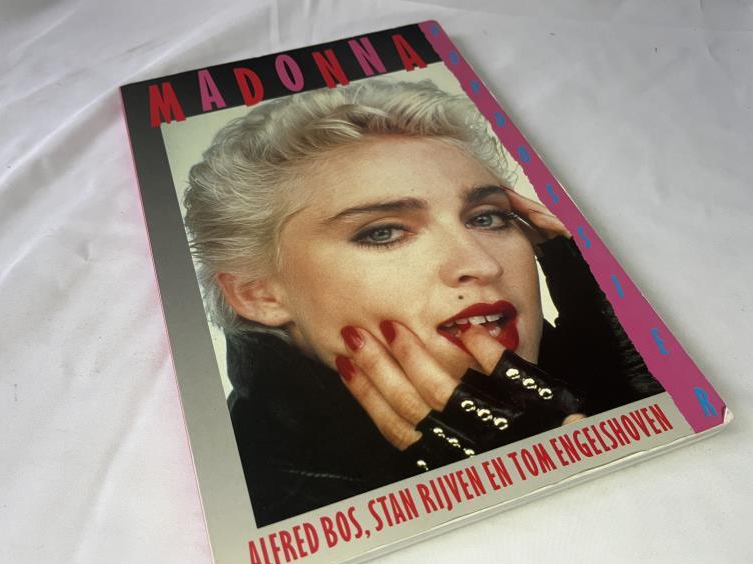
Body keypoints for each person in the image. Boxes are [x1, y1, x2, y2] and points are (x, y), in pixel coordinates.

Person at [183, 79, 663, 526]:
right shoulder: (254, 505)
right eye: (383, 232)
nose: (480, 264)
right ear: (258, 293)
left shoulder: (606, 372)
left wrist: (635, 398)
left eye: (487, 218)